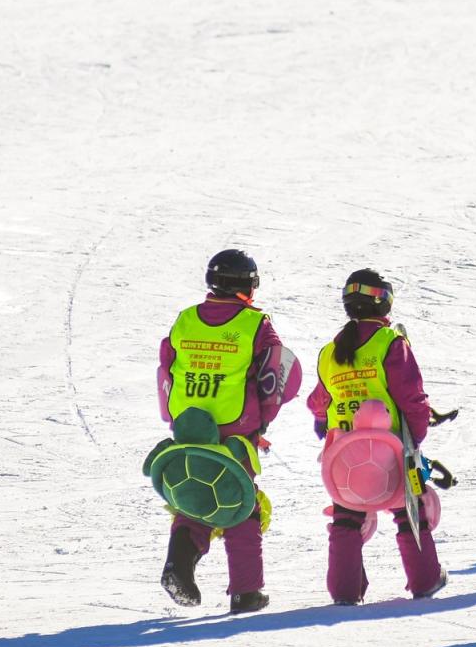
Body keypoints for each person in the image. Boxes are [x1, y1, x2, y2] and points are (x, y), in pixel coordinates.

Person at [158, 249, 300, 615]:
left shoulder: (185, 319)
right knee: (241, 507)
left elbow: (167, 370)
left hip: (188, 427)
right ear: (248, 286)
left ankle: (179, 564)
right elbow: (274, 375)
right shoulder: (256, 323)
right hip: (234, 433)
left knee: (195, 499)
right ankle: (246, 591)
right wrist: (262, 423)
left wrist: (174, 419)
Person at [309, 268, 447, 603]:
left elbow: (318, 402)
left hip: (344, 452)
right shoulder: (390, 343)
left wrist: (325, 427)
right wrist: (415, 439)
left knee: (346, 517)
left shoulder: (330, 352)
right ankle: (424, 579)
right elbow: (412, 398)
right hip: (389, 449)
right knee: (407, 510)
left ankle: (344, 591)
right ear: (383, 302)